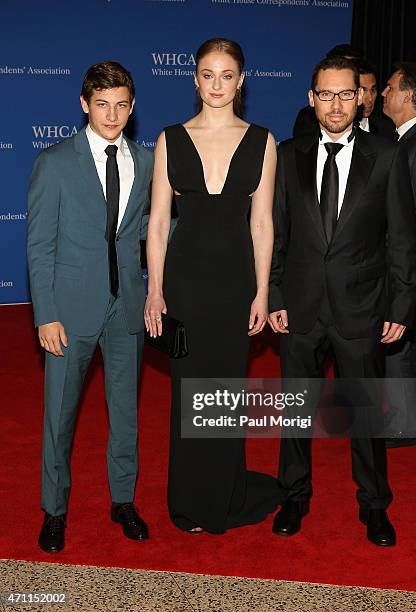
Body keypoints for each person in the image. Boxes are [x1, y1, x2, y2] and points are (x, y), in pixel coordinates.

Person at [269, 56, 416, 546]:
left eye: (345, 94)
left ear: (361, 98)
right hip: (301, 305)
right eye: (326, 95)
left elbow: (402, 238)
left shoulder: (388, 154)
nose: (336, 105)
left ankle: (375, 504)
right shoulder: (287, 154)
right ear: (312, 99)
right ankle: (294, 494)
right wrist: (273, 293)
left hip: (363, 306)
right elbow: (275, 234)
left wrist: (401, 307)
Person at [145, 38, 280, 534]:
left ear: (242, 79)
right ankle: (189, 500)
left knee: (224, 394)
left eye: (227, 75)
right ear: (195, 78)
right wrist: (154, 290)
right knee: (188, 393)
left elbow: (262, 224)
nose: (217, 84)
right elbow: (158, 224)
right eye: (208, 74)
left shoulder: (263, 141)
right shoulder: (169, 139)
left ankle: (221, 494)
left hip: (234, 284)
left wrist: (262, 292)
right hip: (185, 283)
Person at [27, 61, 152, 552]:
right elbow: (39, 247)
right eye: (102, 104)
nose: (112, 114)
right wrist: (45, 314)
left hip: (128, 309)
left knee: (125, 413)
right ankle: (54, 510)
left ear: (132, 106)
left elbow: (147, 233)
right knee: (59, 416)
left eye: (121, 104)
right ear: (84, 104)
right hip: (70, 310)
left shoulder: (144, 162)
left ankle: (123, 500)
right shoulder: (55, 162)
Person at [381, 62, 416, 447]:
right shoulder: (403, 139)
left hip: (408, 262)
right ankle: (400, 415)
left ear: (409, 96)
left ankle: (404, 424)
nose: (383, 93)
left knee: (398, 338)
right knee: (396, 337)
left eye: (390, 87)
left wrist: (404, 265)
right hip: (403, 260)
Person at [356, 59, 394, 137]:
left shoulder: (388, 130)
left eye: (373, 90)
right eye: (362, 90)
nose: (370, 98)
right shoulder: (334, 130)